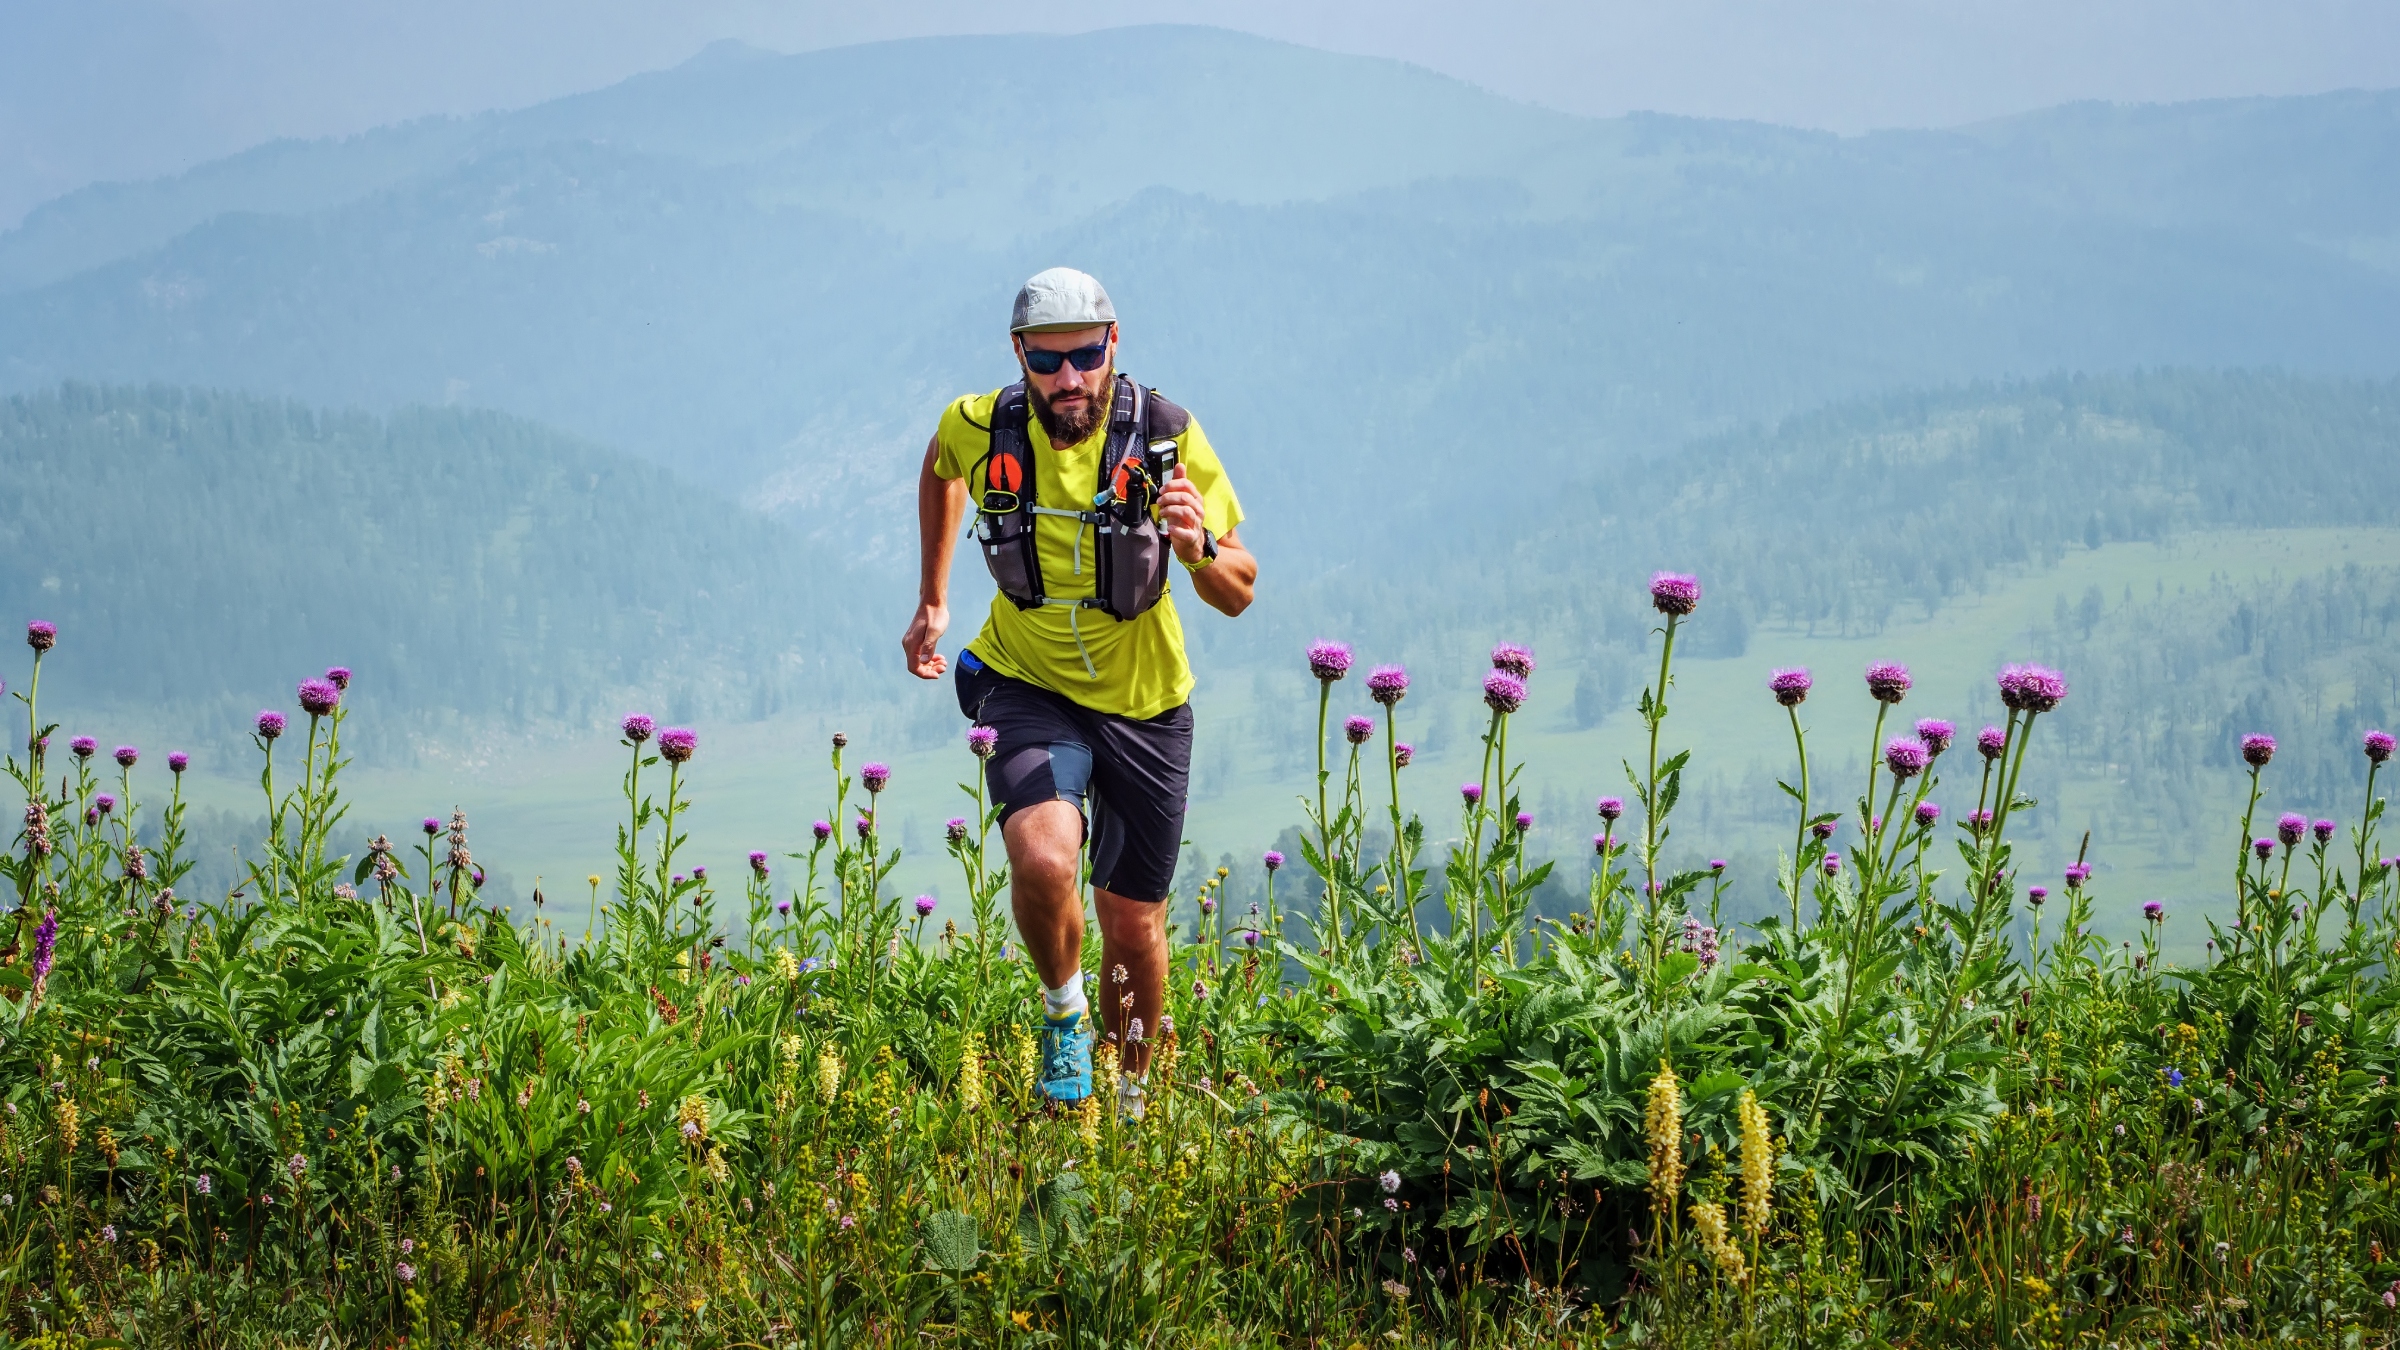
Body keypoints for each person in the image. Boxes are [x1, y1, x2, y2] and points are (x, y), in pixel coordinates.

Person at [903, 267, 1256, 1114]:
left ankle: (1129, 1111)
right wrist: (934, 595)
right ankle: (1063, 1021)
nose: (1070, 380)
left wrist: (1198, 544)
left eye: (1087, 356)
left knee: (1132, 927)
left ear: (1114, 344)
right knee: (1046, 855)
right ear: (1020, 355)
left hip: (1146, 702)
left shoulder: (1167, 437)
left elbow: (1240, 588)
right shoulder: (982, 425)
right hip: (1027, 682)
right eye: (1049, 361)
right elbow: (941, 468)